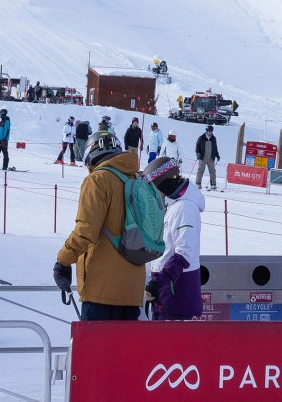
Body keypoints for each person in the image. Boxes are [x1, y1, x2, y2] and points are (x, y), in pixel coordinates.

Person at [55, 134, 148, 322]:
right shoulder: (138, 181)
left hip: (101, 289)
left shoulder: (98, 179)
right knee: (125, 350)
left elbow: (86, 230)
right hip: (132, 288)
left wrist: (63, 261)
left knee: (96, 350)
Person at [145, 155, 204, 320]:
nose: (154, 194)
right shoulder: (174, 205)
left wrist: (159, 281)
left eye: (155, 188)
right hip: (167, 294)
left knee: (170, 344)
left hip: (177, 295)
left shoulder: (185, 208)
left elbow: (185, 252)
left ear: (164, 183)